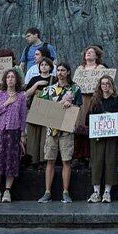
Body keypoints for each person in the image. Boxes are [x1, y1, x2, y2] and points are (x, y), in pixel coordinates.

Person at [33, 61, 79, 203]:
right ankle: (47, 192)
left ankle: (66, 192)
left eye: (63, 70)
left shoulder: (75, 89)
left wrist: (71, 105)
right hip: (51, 129)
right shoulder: (49, 89)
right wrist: (58, 105)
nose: (60, 72)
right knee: (50, 161)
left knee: (66, 160)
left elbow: (78, 108)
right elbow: (39, 106)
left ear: (68, 72)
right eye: (58, 70)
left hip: (66, 129)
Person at [0, 69, 28, 203]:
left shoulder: (21, 96)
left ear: (16, 80)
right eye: (8, 77)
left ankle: (7, 191)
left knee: (11, 160)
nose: (10, 79)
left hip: (13, 131)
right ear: (5, 80)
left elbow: (23, 116)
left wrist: (22, 134)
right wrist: (6, 103)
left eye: (13, 77)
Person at [88, 74, 118, 203]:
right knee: (97, 162)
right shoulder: (95, 100)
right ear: (99, 86)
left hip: (111, 136)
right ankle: (96, 192)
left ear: (111, 85)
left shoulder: (117, 100)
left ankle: (107, 192)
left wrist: (112, 115)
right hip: (98, 136)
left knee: (110, 162)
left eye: (107, 83)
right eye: (103, 83)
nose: (105, 86)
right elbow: (89, 119)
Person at [75, 45, 105, 170]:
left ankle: (92, 157)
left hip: (94, 99)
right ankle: (79, 156)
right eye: (87, 52)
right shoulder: (80, 68)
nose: (88, 53)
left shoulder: (100, 68)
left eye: (91, 52)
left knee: (92, 126)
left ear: (96, 55)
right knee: (80, 127)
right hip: (82, 100)